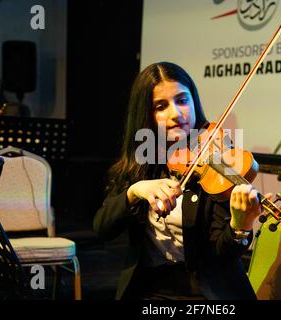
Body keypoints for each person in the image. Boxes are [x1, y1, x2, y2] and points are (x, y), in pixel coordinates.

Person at [93, 62, 269, 300]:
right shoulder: (139, 165)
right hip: (151, 290)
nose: (176, 113)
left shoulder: (215, 163)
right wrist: (134, 191)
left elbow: (220, 256)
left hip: (207, 293)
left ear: (194, 101)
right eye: (161, 106)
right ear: (146, 114)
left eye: (182, 100)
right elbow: (102, 228)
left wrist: (240, 225)